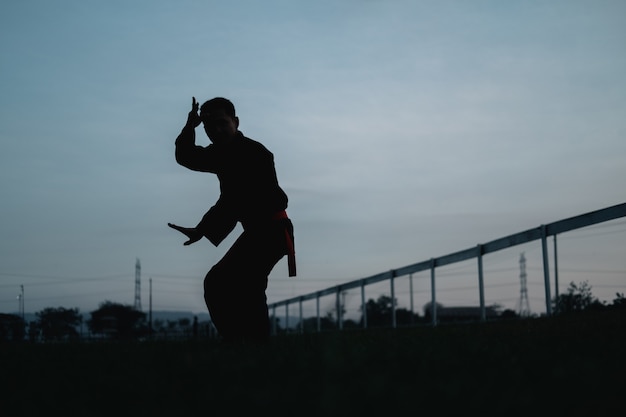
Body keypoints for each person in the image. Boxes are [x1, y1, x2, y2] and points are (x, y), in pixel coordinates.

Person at [168, 97, 295, 344]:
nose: (215, 130)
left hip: (271, 229)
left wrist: (202, 229)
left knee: (225, 284)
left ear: (235, 122)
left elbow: (234, 199)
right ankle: (249, 345)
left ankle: (245, 344)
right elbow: (187, 157)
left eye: (221, 123)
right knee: (239, 287)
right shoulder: (223, 154)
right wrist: (189, 127)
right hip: (260, 231)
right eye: (208, 127)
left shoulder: (255, 153)